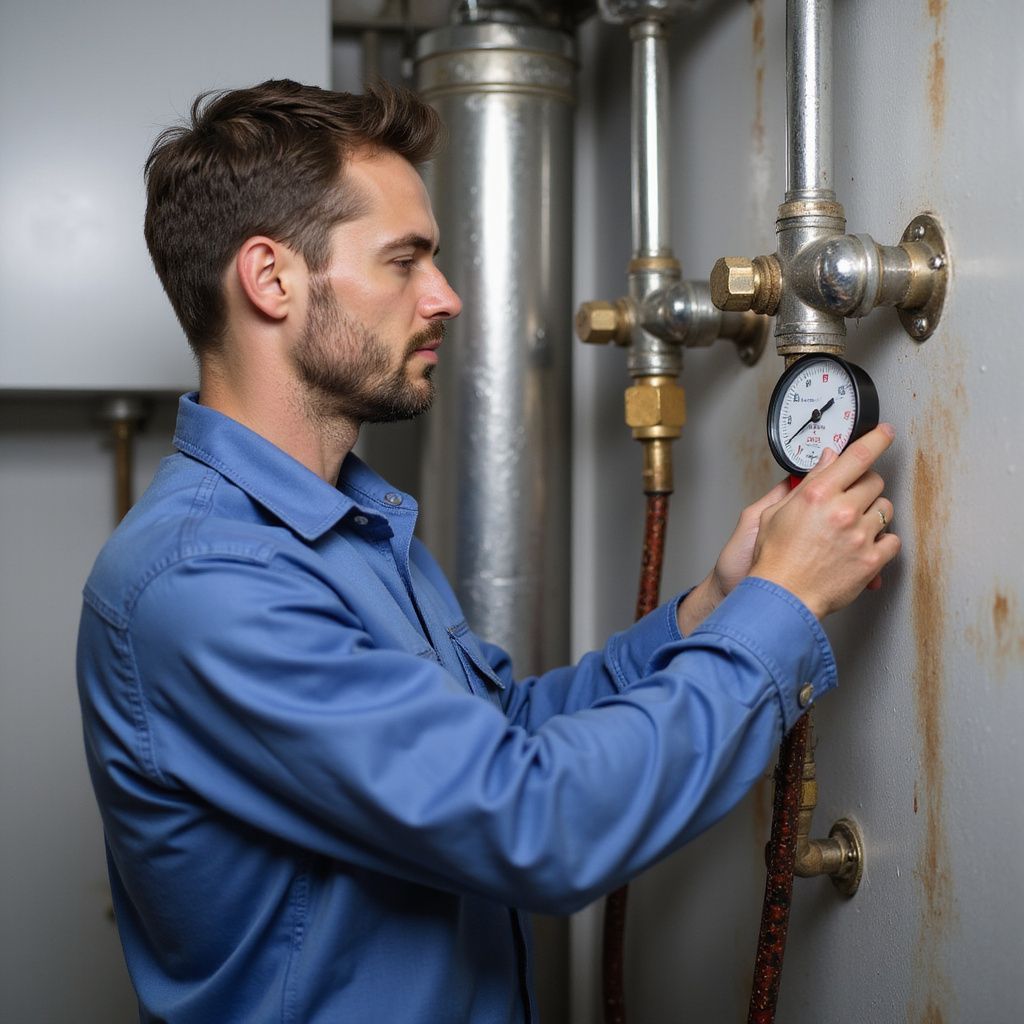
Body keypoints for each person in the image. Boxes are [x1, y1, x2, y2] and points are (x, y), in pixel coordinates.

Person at [77, 79, 900, 1023]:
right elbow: (532, 823)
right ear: (271, 280)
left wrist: (713, 609)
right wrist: (782, 608)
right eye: (404, 261)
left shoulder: (344, 524)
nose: (447, 296)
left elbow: (499, 740)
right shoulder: (207, 583)